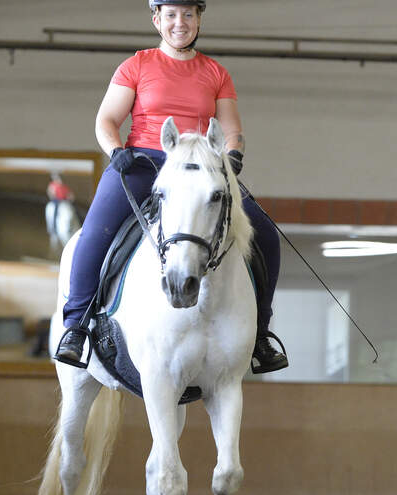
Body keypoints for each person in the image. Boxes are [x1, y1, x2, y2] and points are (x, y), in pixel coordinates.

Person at [54, 0, 287, 374]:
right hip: (142, 162)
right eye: (172, 15)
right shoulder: (137, 65)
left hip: (200, 168)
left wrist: (233, 155)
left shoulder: (216, 72)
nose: (181, 22)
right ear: (157, 19)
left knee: (266, 235)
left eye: (189, 14)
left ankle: (260, 334)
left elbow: (231, 130)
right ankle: (76, 327)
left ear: (199, 19)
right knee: (95, 232)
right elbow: (107, 120)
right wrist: (116, 152)